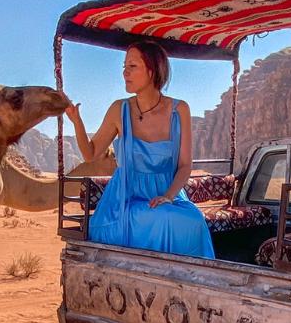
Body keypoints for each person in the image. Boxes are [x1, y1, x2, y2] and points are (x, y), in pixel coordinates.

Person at [64, 41, 215, 258]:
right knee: (163, 217)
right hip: (127, 198)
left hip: (167, 193)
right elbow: (90, 153)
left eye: (132, 66)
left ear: (152, 70)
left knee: (194, 220)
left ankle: (196, 275)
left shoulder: (179, 110)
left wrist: (168, 195)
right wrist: (77, 122)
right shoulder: (119, 109)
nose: (125, 72)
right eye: (124, 66)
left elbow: (184, 165)